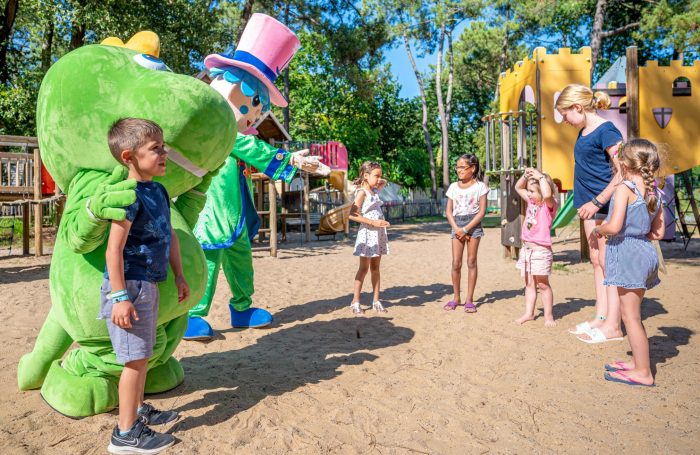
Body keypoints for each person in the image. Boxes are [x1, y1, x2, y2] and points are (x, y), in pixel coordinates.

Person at [101, 118, 189, 454]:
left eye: (163, 146)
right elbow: (114, 249)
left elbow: (171, 237)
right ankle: (125, 435)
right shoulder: (128, 196)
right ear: (129, 157)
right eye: (156, 148)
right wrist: (119, 297)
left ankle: (137, 412)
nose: (164, 153)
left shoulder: (158, 191)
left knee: (143, 356)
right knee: (134, 361)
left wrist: (179, 275)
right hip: (129, 287)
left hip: (147, 285)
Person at [555, 84, 624, 342]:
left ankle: (614, 326)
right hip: (588, 208)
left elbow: (624, 171)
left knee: (608, 263)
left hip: (605, 207)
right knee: (596, 260)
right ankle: (601, 316)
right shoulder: (583, 131)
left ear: (578, 107)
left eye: (565, 114)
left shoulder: (607, 131)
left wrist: (598, 201)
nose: (564, 120)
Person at [593, 139, 664, 386]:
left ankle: (643, 372)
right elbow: (658, 233)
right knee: (632, 313)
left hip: (628, 254)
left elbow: (614, 226)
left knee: (631, 316)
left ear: (624, 163)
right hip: (645, 252)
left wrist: (599, 229)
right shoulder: (655, 191)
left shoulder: (625, 189)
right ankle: (636, 362)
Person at [513, 168, 558, 326]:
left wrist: (540, 177)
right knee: (529, 284)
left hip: (541, 251)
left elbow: (547, 195)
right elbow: (518, 187)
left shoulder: (548, 205)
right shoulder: (531, 202)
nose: (529, 194)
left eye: (532, 191)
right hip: (527, 250)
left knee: (543, 284)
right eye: (529, 191)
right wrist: (526, 176)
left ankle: (548, 316)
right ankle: (529, 313)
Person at [444, 154, 488, 313]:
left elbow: (481, 212)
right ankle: (456, 297)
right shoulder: (453, 187)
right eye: (457, 167)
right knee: (456, 263)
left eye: (462, 167)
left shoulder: (480, 187)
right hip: (456, 224)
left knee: (471, 261)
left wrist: (465, 229)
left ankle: (469, 300)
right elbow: (448, 211)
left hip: (473, 225)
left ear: (473, 168)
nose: (459, 170)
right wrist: (457, 228)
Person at [349, 161, 390, 314]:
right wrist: (373, 222)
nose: (380, 179)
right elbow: (352, 215)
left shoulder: (374, 191)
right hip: (367, 234)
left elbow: (383, 182)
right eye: (376, 176)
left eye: (380, 175)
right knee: (363, 268)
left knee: (376, 268)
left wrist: (376, 180)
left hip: (378, 234)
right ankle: (355, 301)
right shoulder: (362, 193)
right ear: (366, 176)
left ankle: (376, 301)